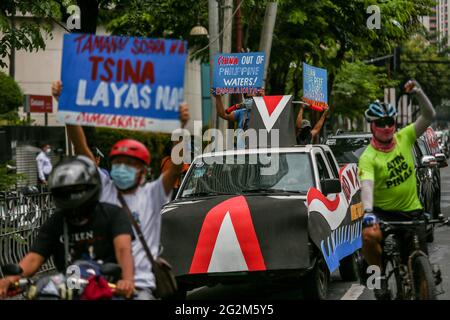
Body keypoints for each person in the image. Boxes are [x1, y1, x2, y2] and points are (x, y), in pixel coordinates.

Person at [51, 80, 189, 300]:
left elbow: (174, 169)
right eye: (118, 162)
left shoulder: (152, 194)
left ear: (143, 171)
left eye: (130, 163)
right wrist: (65, 104)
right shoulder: (104, 189)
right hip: (102, 286)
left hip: (140, 288)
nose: (122, 168)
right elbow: (81, 147)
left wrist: (181, 128)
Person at [0, 156, 135, 299]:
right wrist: (10, 279)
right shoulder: (56, 222)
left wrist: (127, 281)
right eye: (64, 191)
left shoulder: (113, 214)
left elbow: (123, 249)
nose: (71, 195)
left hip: (108, 290)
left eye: (76, 189)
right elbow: (34, 257)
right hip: (69, 291)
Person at [358, 79, 436, 299]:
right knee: (368, 236)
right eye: (380, 123)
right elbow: (367, 185)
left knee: (422, 272)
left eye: (390, 122)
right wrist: (368, 213)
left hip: (412, 212)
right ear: (372, 125)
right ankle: (378, 279)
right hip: (382, 215)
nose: (386, 127)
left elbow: (428, 116)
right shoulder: (368, 157)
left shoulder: (405, 137)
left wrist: (419, 92)